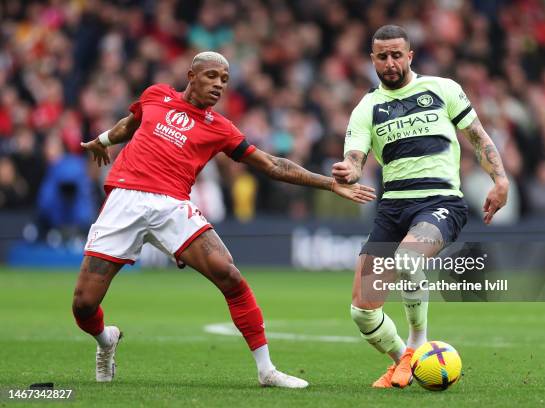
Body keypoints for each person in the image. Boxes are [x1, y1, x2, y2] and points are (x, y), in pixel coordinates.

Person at [74, 51, 376, 388]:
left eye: (225, 80)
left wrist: (330, 184)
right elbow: (131, 124)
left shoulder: (220, 128)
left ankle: (266, 370)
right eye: (212, 76)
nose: (219, 85)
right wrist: (102, 140)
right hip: (124, 201)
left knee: (229, 274)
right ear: (191, 75)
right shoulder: (155, 95)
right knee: (83, 306)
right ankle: (106, 340)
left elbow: (272, 164)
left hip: (172, 205)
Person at [332, 25, 508, 388]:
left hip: (440, 201)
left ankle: (417, 343)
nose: (391, 62)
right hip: (392, 209)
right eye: (383, 56)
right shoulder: (367, 107)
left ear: (410, 55)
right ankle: (404, 360)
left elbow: (477, 137)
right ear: (373, 60)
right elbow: (355, 157)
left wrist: (501, 179)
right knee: (362, 313)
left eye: (397, 54)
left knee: (409, 259)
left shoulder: (442, 89)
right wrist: (349, 169)